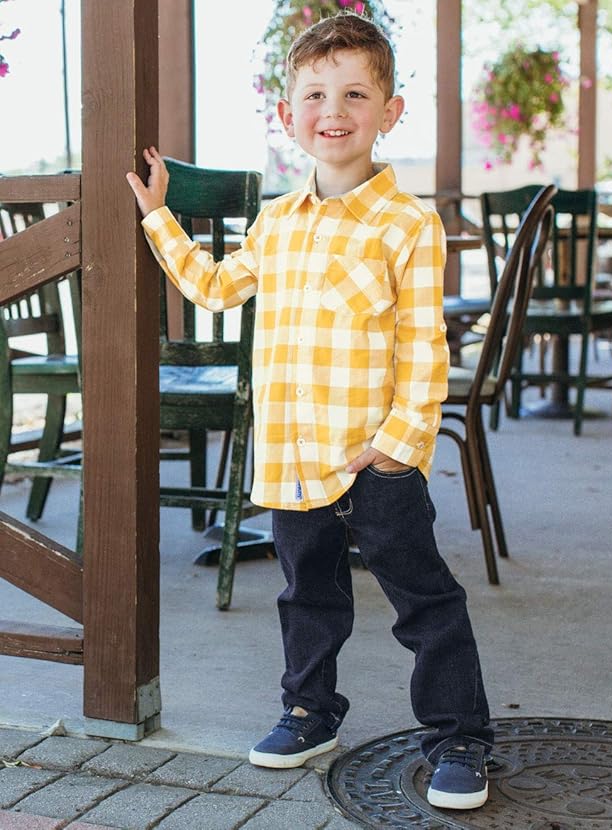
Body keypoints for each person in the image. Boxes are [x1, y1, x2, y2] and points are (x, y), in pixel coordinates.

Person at [126, 11, 493, 811]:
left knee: (421, 597)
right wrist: (159, 216)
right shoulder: (276, 224)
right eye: (315, 94)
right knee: (306, 595)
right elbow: (216, 287)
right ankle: (308, 712)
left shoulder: (406, 223)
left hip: (373, 455)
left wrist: (401, 443)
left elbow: (424, 346)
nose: (335, 109)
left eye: (355, 93)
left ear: (389, 112)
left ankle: (458, 734)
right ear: (289, 116)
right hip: (293, 458)